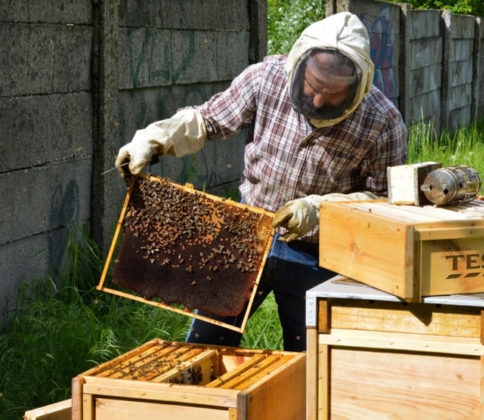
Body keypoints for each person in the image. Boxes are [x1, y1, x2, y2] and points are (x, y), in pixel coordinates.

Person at [114, 12, 407, 351]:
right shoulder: (265, 78)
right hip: (247, 233)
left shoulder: (382, 121)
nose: (317, 100)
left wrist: (322, 209)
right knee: (206, 345)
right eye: (312, 86)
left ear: (359, 86)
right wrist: (157, 138)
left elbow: (387, 203)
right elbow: (209, 119)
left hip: (321, 253)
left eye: (333, 94)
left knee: (313, 359)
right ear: (298, 64)